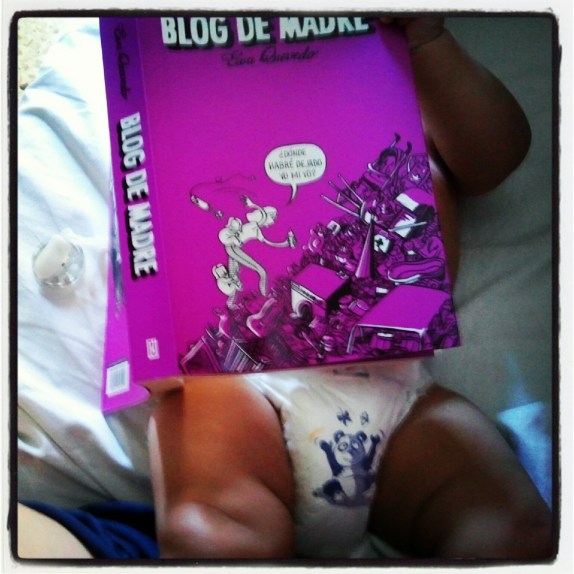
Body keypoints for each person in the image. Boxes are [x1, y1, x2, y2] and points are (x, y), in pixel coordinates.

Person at [17, 16, 552, 560]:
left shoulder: (392, 72)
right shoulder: (197, 111)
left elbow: (495, 158)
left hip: (397, 389)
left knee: (515, 532)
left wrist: (429, 41)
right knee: (214, 535)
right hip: (235, 386)